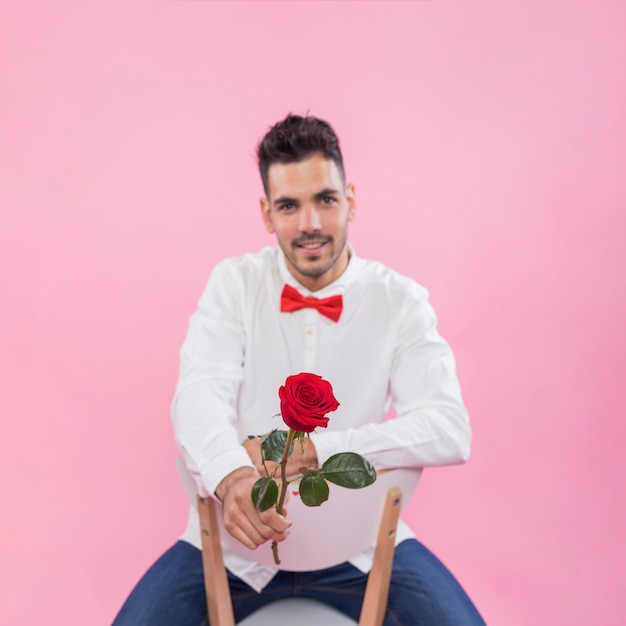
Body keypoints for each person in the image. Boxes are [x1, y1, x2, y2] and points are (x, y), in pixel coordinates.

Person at [113, 114, 486, 625]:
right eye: (289, 205)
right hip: (231, 554)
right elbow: (199, 396)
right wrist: (233, 476)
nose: (309, 223)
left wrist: (319, 451)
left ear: (351, 199)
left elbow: (449, 429)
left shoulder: (400, 300)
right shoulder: (234, 284)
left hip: (364, 550)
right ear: (267, 214)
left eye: (325, 200)